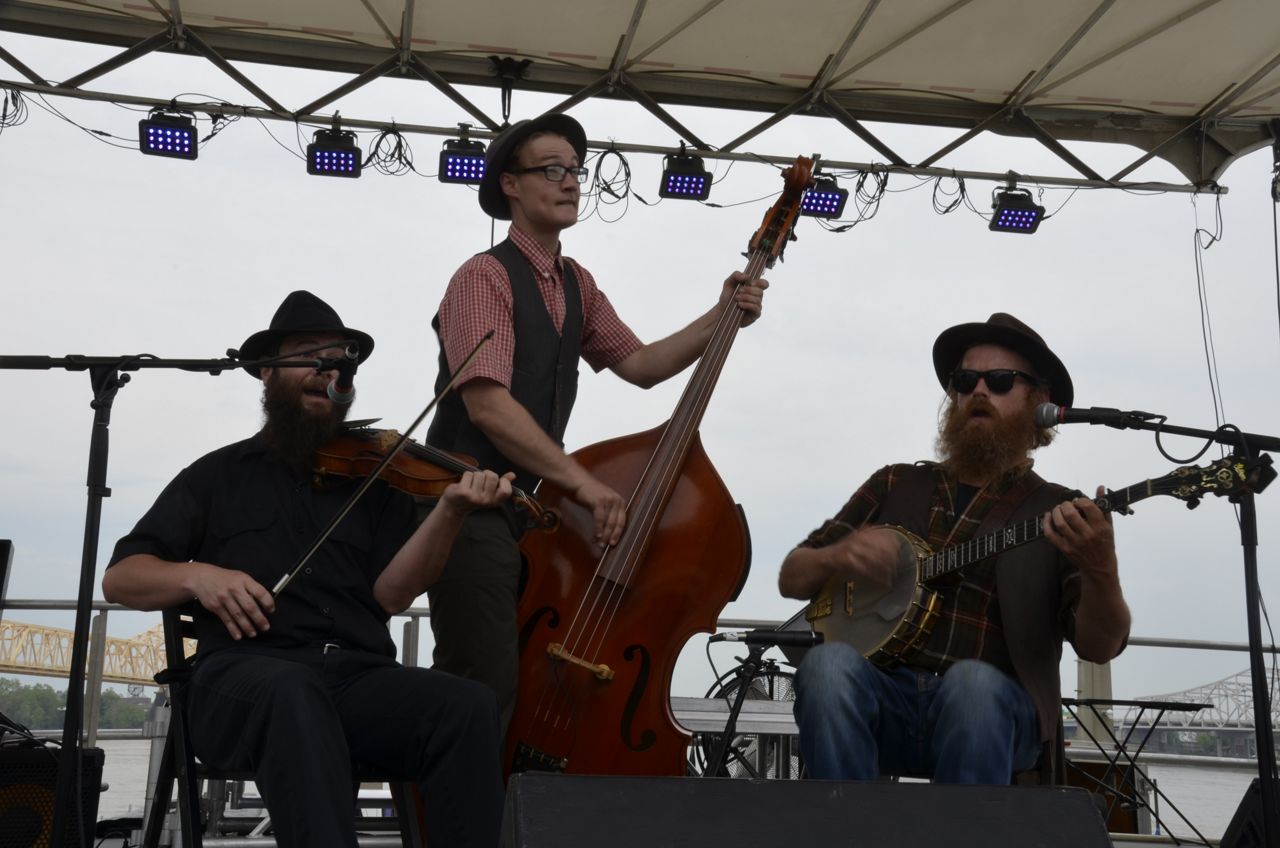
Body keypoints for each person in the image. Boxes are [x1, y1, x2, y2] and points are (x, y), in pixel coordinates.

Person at [102, 290, 508, 848]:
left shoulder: (376, 481)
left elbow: (392, 595)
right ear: (266, 372)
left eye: (340, 358)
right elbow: (121, 577)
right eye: (309, 354)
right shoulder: (217, 475)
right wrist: (198, 576)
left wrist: (451, 511)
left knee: (466, 705)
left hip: (356, 682)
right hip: (241, 685)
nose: (329, 368)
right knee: (293, 691)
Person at [425, 113, 769, 729]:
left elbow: (640, 364)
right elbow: (488, 406)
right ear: (510, 184)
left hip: (526, 510)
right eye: (551, 170)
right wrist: (583, 485)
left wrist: (723, 314)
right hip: (467, 504)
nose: (571, 182)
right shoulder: (484, 276)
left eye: (576, 171)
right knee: (482, 687)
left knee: (516, 682)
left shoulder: (576, 282)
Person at [779, 312, 1131, 785]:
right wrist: (836, 557)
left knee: (972, 686)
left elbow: (1099, 647)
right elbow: (792, 577)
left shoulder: (1059, 510)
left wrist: (1101, 570)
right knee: (827, 665)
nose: (979, 392)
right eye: (966, 380)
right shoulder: (895, 482)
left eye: (1001, 381)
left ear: (1039, 401)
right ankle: (848, 830)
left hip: (995, 710)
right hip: (887, 696)